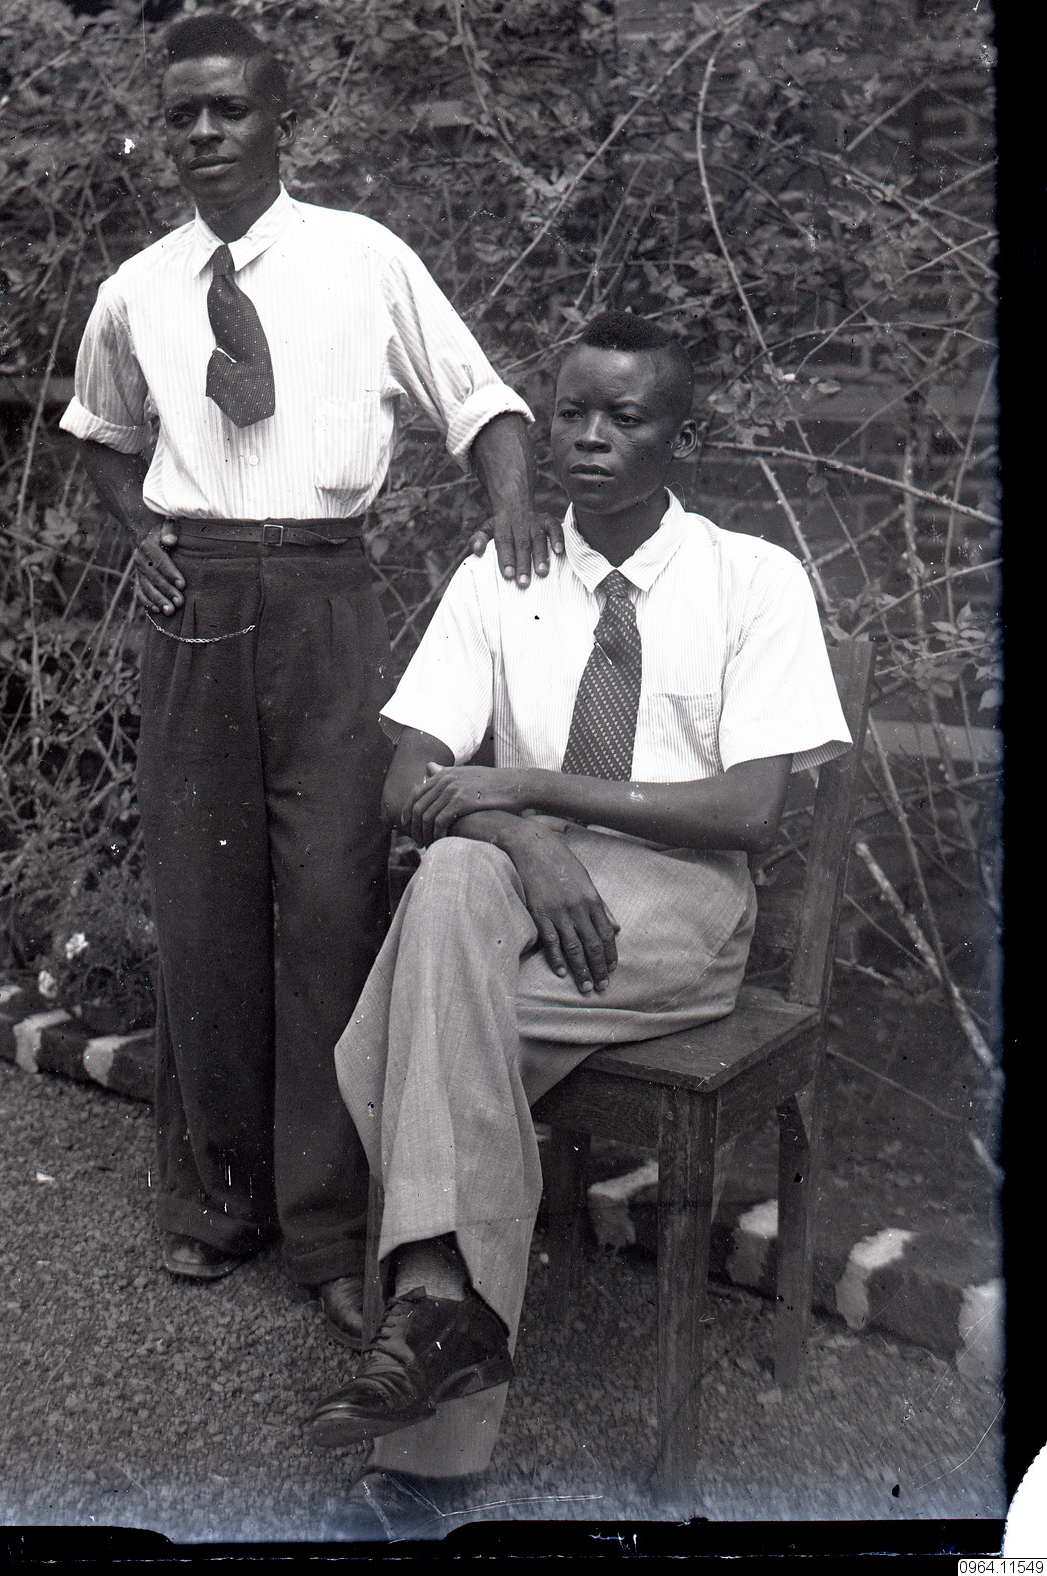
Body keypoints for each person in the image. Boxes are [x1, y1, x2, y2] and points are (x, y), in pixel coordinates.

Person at [59, 13, 556, 1348]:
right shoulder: (138, 289)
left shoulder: (362, 259)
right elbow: (98, 431)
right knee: (204, 904)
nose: (203, 133)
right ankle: (218, 1201)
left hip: (327, 599)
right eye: (182, 114)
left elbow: (482, 402)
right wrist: (138, 532)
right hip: (197, 605)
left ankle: (331, 1231)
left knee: (332, 904)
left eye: (227, 109)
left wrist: (511, 511)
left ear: (280, 118)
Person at [306, 310, 852, 1517]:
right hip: (514, 892)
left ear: (679, 436)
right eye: (570, 413)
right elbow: (409, 779)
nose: (589, 437)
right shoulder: (497, 576)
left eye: (625, 416)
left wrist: (531, 788)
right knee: (451, 878)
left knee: (412, 1022)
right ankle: (441, 1307)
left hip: (680, 901)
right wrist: (523, 839)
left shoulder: (751, 578)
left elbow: (748, 808)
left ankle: (426, 1406)